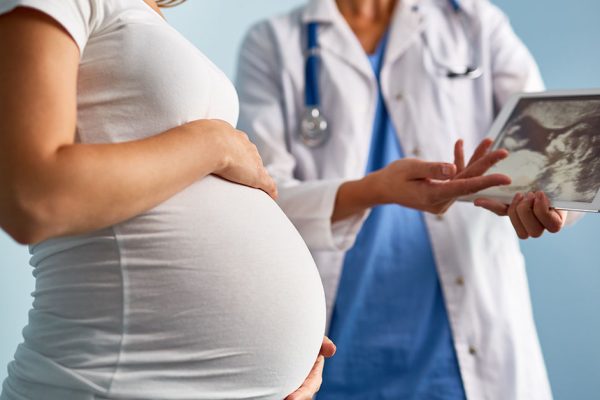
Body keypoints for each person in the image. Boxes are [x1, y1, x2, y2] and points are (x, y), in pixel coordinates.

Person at [0, 0, 339, 399]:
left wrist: (280, 357)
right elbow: (33, 197)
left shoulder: (143, 15)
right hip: (112, 382)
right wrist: (214, 144)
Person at [236, 0, 573, 398]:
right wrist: (376, 190)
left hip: (464, 352)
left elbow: (551, 146)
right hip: (340, 351)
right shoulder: (274, 42)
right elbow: (261, 199)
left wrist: (554, 203)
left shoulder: (474, 21)